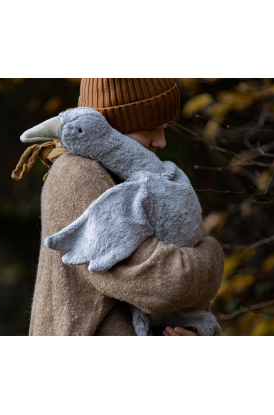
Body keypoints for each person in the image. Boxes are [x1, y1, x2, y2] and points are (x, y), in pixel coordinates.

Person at [19, 78, 224, 336]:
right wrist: (211, 255)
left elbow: (176, 302)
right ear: (110, 129)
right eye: (149, 129)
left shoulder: (130, 177)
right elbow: (167, 285)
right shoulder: (77, 174)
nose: (161, 142)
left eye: (164, 128)